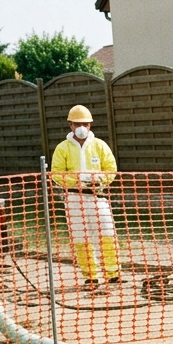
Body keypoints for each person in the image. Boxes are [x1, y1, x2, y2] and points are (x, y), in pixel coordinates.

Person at [51, 105, 120, 290]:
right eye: (78, 124)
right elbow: (56, 173)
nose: (82, 127)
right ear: (70, 125)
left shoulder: (100, 145)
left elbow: (111, 168)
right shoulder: (62, 148)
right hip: (73, 198)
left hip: (97, 196)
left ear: (90, 125)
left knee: (106, 234)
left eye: (85, 124)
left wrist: (99, 180)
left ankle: (113, 273)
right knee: (81, 238)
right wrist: (77, 180)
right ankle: (91, 276)